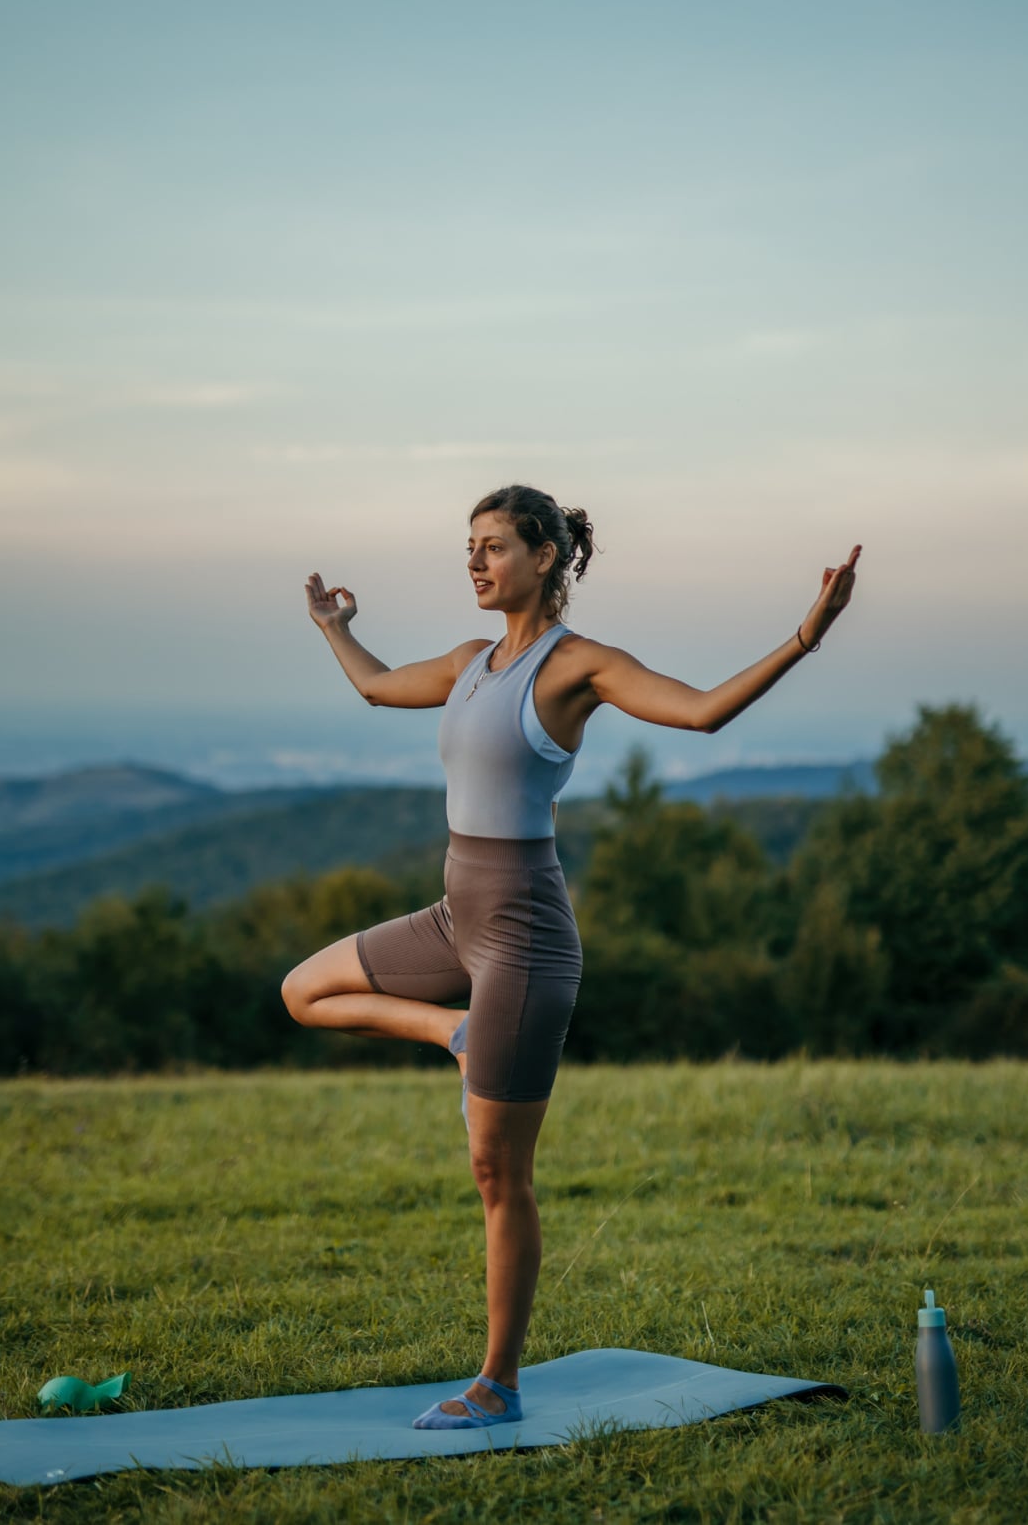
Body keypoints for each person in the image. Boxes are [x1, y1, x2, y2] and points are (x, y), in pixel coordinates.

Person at [282, 482, 860, 1429]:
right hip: (453, 913)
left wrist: (807, 636)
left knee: (497, 1174)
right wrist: (330, 627)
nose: (475, 561)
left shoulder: (576, 667)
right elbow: (378, 684)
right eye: (468, 546)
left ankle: (498, 1383)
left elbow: (703, 711)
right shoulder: (471, 662)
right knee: (303, 989)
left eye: (494, 545)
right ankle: (453, 1031)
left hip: (525, 936)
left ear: (545, 556)